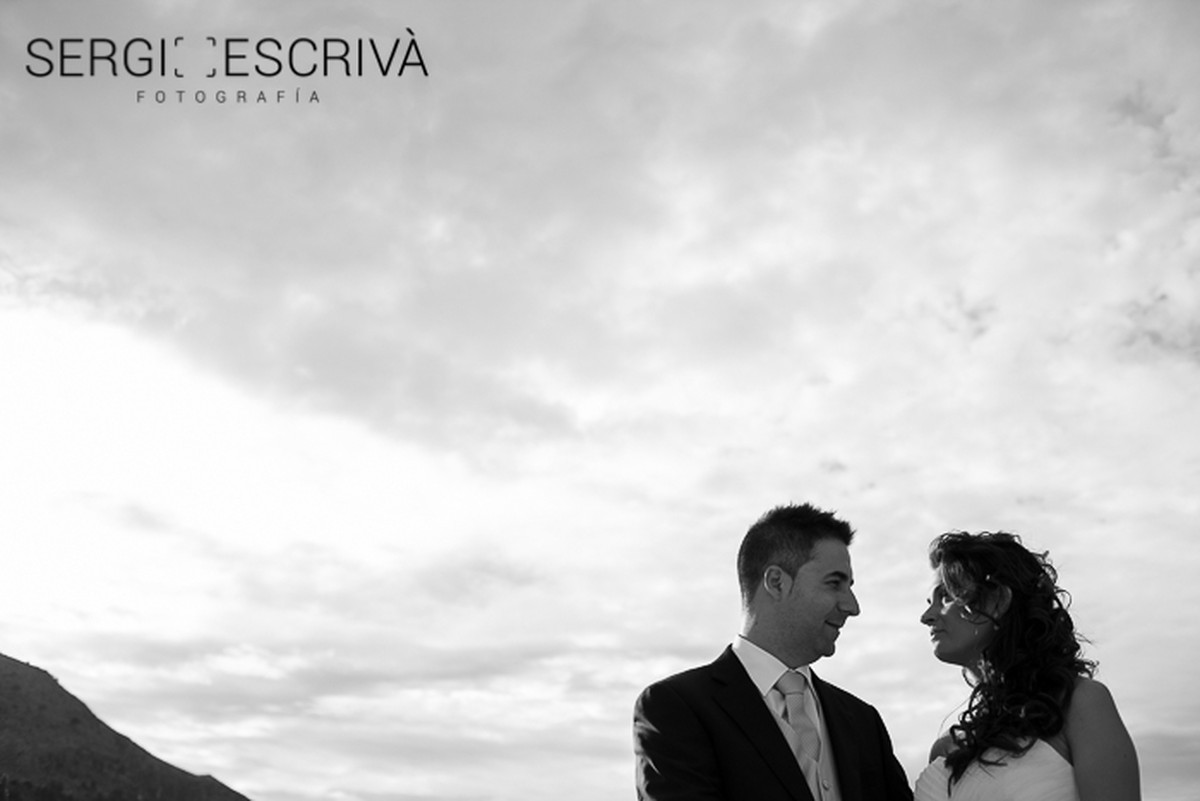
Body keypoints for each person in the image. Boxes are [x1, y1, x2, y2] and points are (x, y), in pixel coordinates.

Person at [633, 503, 912, 801]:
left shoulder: (862, 721)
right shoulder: (676, 707)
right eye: (834, 584)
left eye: (850, 587)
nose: (852, 606)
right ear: (776, 582)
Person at [916, 531, 1141, 801]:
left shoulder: (1082, 705)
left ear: (998, 600)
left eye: (946, 597)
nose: (926, 617)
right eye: (930, 603)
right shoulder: (945, 750)